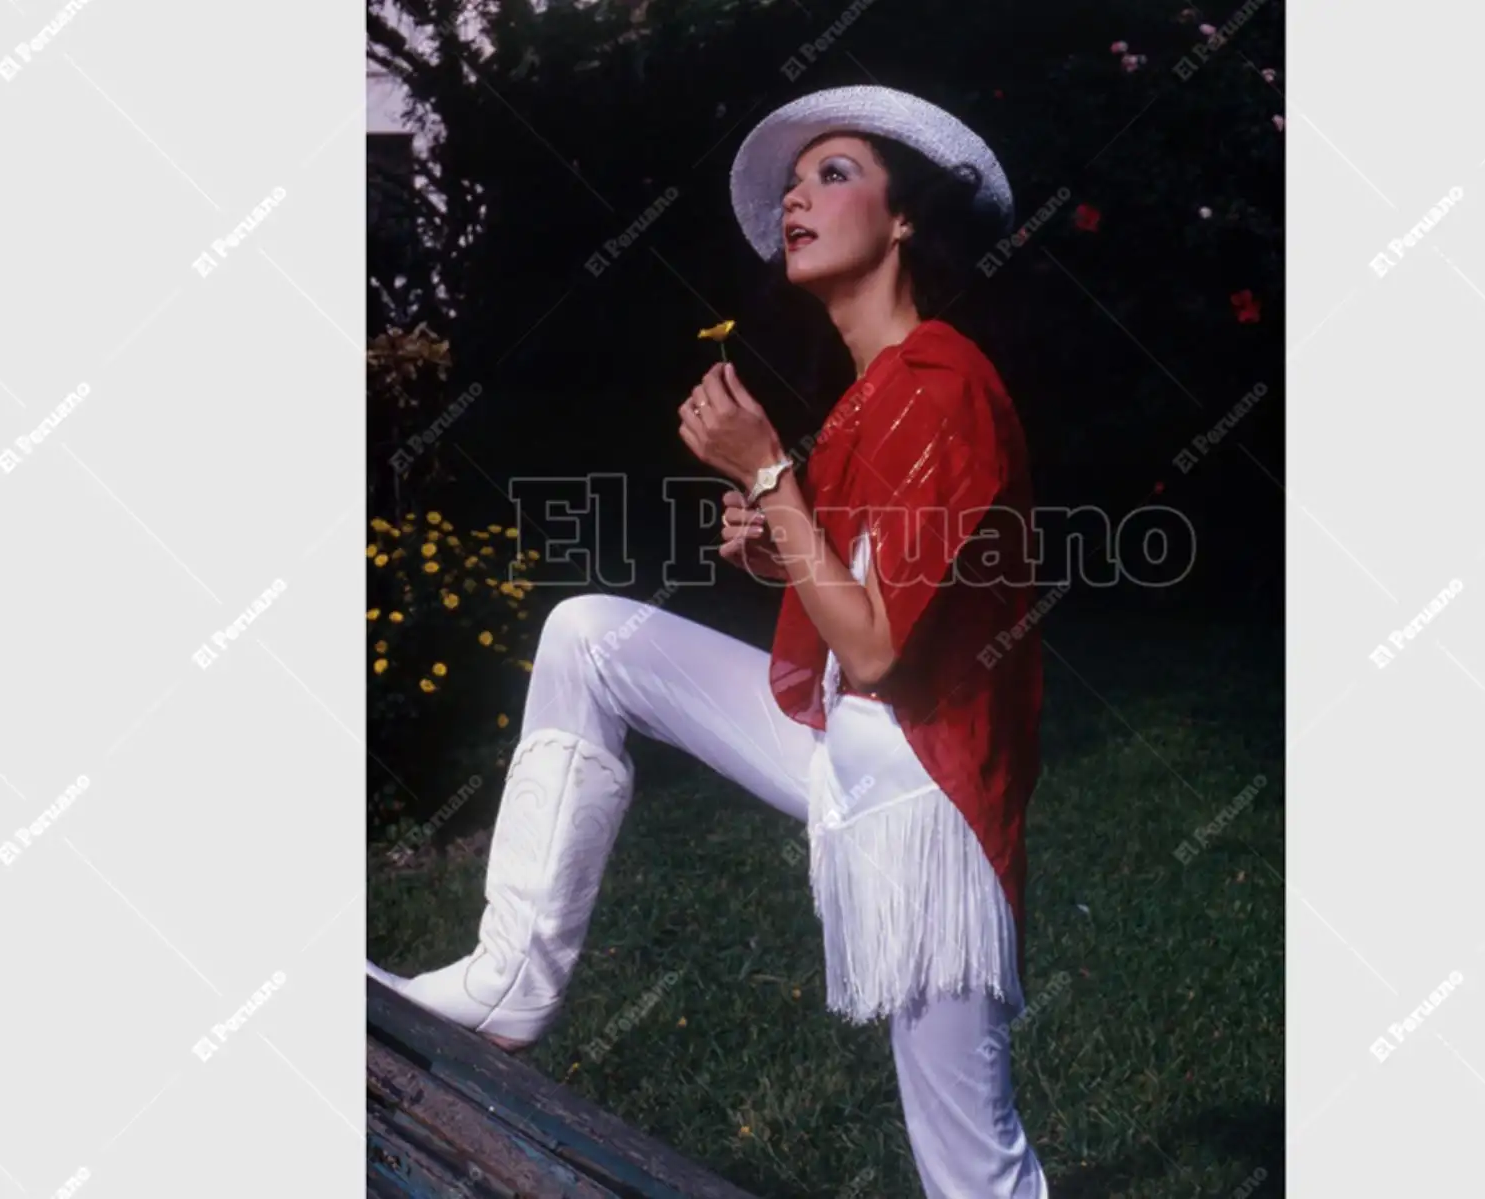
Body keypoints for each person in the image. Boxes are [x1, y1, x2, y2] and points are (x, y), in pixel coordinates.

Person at [368, 85, 1049, 1199]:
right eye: (792, 181)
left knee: (972, 1159)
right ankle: (510, 977)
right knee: (587, 635)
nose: (797, 195)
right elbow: (866, 598)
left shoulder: (946, 383)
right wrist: (780, 539)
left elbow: (877, 647)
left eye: (834, 173)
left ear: (908, 217)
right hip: (843, 742)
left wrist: (770, 476)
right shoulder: (873, 394)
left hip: (927, 797)